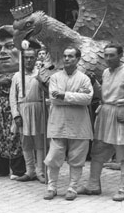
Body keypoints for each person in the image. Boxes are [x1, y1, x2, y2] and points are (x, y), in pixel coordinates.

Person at [77, 43, 124, 202]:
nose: (108, 58)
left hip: (120, 116)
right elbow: (104, 94)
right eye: (106, 55)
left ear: (120, 56)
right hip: (105, 115)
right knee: (97, 152)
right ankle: (93, 185)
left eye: (112, 55)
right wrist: (94, 83)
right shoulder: (105, 72)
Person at [43, 46, 93, 201]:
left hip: (79, 124)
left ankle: (72, 188)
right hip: (58, 122)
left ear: (77, 59)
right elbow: (53, 98)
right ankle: (52, 187)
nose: (66, 59)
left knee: (77, 157)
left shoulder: (84, 79)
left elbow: (88, 99)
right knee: (53, 157)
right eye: (65, 56)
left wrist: (64, 95)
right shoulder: (55, 77)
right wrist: (74, 98)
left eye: (71, 56)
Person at [0, 25, 26, 179]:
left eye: (10, 46)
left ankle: (18, 169)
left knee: (15, 138)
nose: (2, 52)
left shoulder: (25, 73)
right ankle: (0, 168)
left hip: (16, 109)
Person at [10, 43, 47, 184]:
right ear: (22, 59)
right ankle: (29, 171)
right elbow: (12, 97)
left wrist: (42, 81)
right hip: (23, 111)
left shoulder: (40, 74)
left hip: (38, 110)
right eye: (26, 58)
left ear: (36, 58)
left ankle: (40, 171)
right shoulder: (17, 76)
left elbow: (46, 92)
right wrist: (16, 115)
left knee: (39, 142)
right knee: (26, 143)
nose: (29, 61)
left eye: (32, 58)